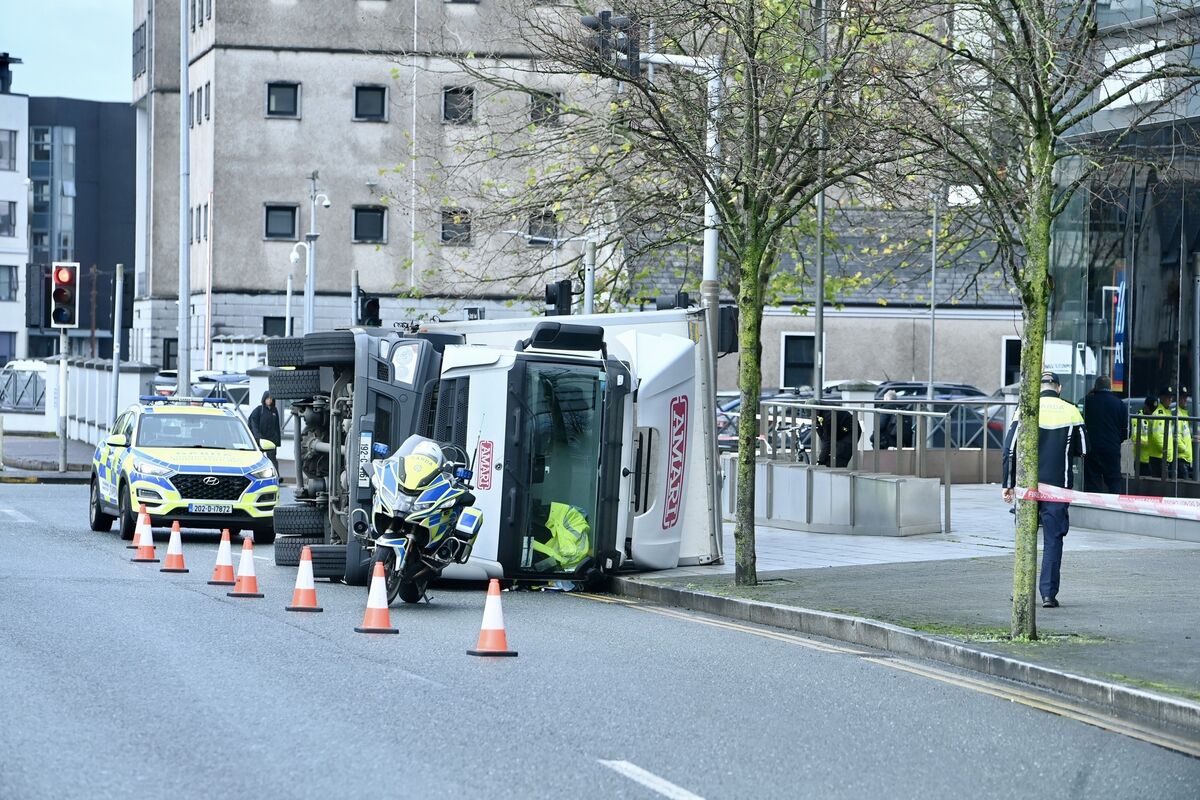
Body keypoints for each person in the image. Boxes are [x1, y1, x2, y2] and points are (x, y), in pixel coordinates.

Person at [1001, 371, 1088, 609]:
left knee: (1025, 537)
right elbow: (1084, 449)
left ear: (1037, 388)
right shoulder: (1071, 411)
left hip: (1027, 486)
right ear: (1058, 388)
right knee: (1053, 539)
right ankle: (1048, 594)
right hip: (1058, 488)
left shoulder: (1025, 410)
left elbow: (1009, 450)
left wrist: (1007, 484)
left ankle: (1021, 589)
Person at [1082, 376, 1126, 493]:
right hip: (1112, 449)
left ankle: (1094, 508)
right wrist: (1116, 441)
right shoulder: (1120, 404)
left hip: (1092, 448)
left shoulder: (1087, 401)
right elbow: (1126, 430)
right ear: (1110, 388)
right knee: (1114, 481)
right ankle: (1115, 507)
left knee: (1092, 481)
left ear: (1095, 387)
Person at [248, 391, 282, 472]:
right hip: (261, 439)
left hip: (271, 440)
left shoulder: (274, 410)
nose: (269, 400)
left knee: (273, 459)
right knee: (259, 459)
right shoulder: (259, 410)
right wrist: (258, 438)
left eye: (271, 398)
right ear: (264, 399)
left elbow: (277, 427)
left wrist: (277, 441)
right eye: (268, 398)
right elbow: (254, 424)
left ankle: (276, 476)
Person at [1131, 394, 1164, 477]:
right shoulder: (1137, 418)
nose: (1152, 412)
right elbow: (1135, 438)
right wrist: (1151, 442)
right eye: (1151, 410)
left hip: (1155, 460)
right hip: (1142, 461)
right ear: (1146, 407)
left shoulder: (1155, 416)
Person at [1173, 386, 1193, 480]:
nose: (1185, 400)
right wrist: (1184, 449)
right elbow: (1175, 436)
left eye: (1186, 397)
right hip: (1181, 458)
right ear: (1178, 398)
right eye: (1182, 398)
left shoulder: (1184, 414)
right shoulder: (1177, 414)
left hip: (1186, 459)